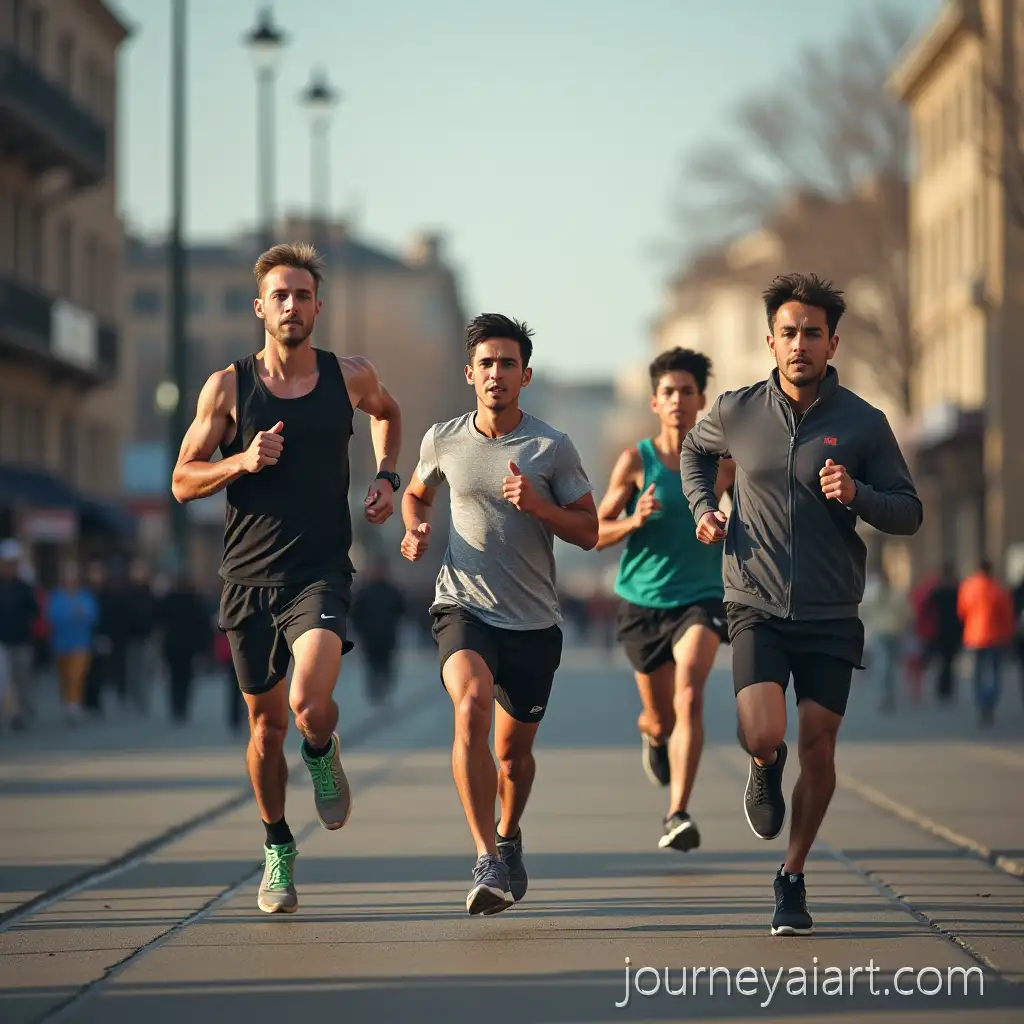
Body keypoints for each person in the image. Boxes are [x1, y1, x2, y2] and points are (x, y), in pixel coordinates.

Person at [680, 273, 922, 936]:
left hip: (830, 611)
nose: (799, 344)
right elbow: (692, 454)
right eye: (788, 333)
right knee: (765, 732)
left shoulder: (864, 425)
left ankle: (791, 875)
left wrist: (858, 496)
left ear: (831, 341)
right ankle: (764, 764)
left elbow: (909, 513)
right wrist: (704, 509)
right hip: (754, 599)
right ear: (771, 340)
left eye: (812, 333)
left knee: (819, 745)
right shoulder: (736, 410)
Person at [170, 241, 402, 915]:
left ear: (317, 307)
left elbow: (388, 414)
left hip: (320, 572)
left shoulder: (349, 376)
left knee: (306, 703)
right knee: (265, 730)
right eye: (280, 295)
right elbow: (183, 480)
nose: (292, 305)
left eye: (302, 295)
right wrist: (239, 462)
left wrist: (387, 477)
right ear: (260, 308)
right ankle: (277, 846)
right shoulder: (226, 387)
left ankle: (323, 750)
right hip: (245, 578)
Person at [400, 313, 597, 916]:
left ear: (525, 375)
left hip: (533, 622)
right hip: (462, 604)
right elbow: (416, 491)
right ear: (470, 374)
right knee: (470, 707)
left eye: (507, 363)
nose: (495, 373)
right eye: (485, 363)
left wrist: (539, 505)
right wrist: (414, 526)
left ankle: (509, 835)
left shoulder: (550, 446)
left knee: (513, 756)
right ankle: (485, 854)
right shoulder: (444, 439)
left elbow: (589, 532)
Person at [595, 348, 735, 852]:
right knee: (661, 717)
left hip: (702, 596)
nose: (678, 400)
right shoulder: (637, 460)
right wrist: (635, 517)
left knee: (692, 694)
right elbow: (594, 531)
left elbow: (760, 516)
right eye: (668, 393)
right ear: (655, 402)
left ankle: (677, 812)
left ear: (702, 401)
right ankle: (654, 737)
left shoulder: (723, 466)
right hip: (642, 602)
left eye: (688, 392)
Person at [956, 559, 1014, 726]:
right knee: (994, 673)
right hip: (995, 636)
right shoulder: (999, 589)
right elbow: (1007, 616)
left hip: (973, 636)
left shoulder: (968, 587)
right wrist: (1008, 636)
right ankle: (990, 701)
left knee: (977, 673)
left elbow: (961, 611)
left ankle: (980, 702)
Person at [349, 557, 407, 706]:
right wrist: (360, 631)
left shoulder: (392, 590)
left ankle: (385, 690)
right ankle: (375, 692)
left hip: (387, 635)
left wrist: (393, 623)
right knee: (372, 665)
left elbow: (401, 610)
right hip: (370, 637)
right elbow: (355, 613)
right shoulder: (364, 591)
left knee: (386, 664)